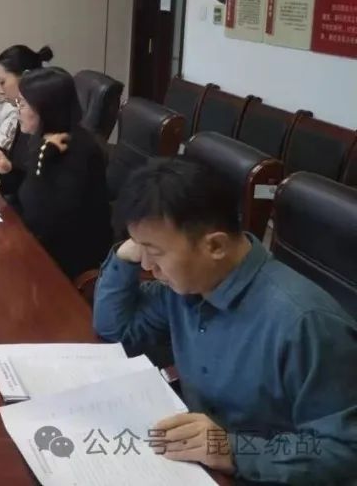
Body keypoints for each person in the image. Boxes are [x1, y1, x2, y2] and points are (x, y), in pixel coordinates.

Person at [94, 158, 357, 483]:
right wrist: (125, 256)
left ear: (215, 245)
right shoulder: (187, 285)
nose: (147, 265)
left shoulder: (305, 323)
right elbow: (117, 329)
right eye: (141, 249)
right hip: (196, 464)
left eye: (155, 252)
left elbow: (344, 452)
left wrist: (232, 450)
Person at [0, 67, 111, 280]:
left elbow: (48, 217)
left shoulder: (75, 151)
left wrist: (8, 238)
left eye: (22, 104)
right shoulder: (47, 137)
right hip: (36, 242)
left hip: (61, 262)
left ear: (45, 109)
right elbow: (34, 189)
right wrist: (9, 170)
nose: (18, 110)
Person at [0, 45, 54, 196]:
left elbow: (36, 192)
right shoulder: (25, 115)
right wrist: (4, 166)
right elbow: (21, 176)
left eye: (2, 82)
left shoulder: (42, 124)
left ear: (25, 77)